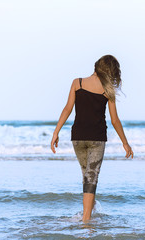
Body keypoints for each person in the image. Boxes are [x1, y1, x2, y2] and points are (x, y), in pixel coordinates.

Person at [50, 55, 134, 222]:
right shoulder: (107, 89)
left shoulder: (77, 83)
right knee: (91, 177)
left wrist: (56, 132)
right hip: (96, 139)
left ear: (96, 66)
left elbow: (67, 108)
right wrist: (125, 143)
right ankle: (86, 222)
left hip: (78, 138)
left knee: (87, 175)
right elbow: (115, 120)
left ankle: (90, 209)